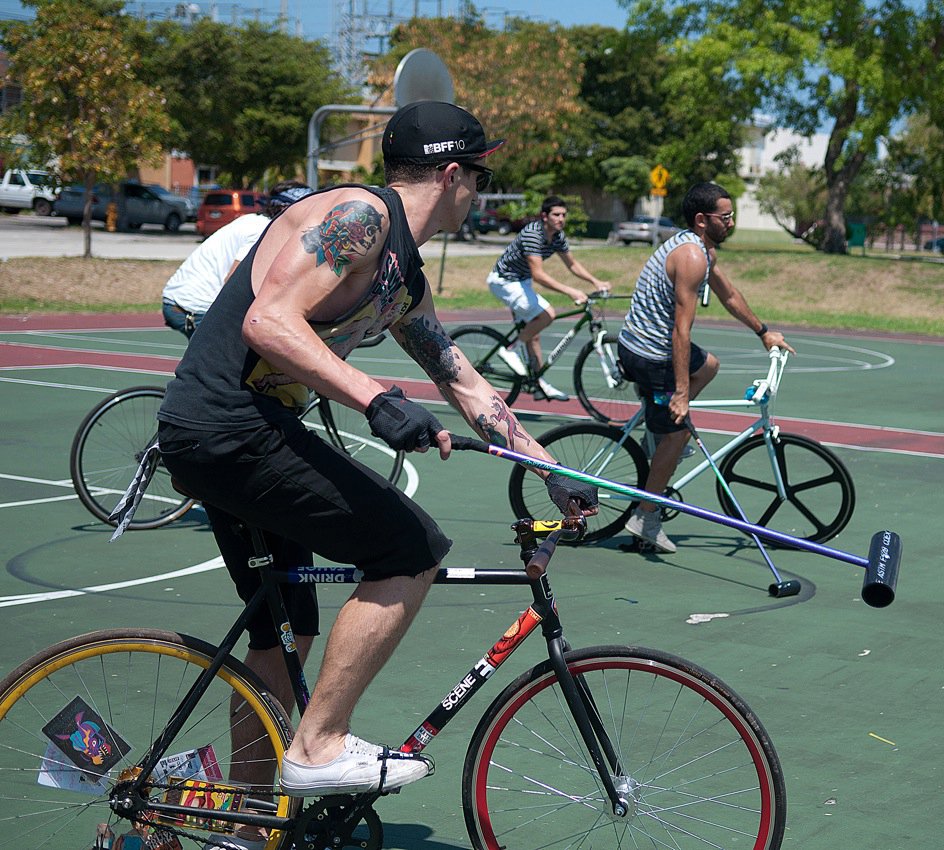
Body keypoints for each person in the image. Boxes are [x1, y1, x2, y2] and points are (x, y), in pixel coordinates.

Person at [152, 101, 597, 842]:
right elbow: (268, 321)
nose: (482, 191)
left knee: (282, 638)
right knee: (407, 548)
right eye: (481, 175)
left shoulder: (404, 277)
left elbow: (466, 382)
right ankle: (320, 746)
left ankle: (246, 824)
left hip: (242, 432)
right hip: (228, 427)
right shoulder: (360, 217)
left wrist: (550, 468)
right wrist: (375, 399)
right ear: (453, 174)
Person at [615, 182, 794, 554]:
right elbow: (681, 331)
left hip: (649, 344)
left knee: (709, 365)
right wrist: (681, 394)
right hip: (650, 354)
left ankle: (660, 429)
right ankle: (645, 516)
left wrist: (763, 332)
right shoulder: (692, 258)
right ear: (701, 220)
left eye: (732, 216)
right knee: (678, 432)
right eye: (725, 217)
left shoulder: (703, 250)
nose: (731, 223)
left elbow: (728, 294)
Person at [486, 195, 609, 400]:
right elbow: (539, 275)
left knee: (533, 332)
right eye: (556, 215)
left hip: (521, 282)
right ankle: (510, 349)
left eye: (563, 215)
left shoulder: (558, 236)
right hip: (504, 282)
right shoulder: (533, 234)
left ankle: (537, 384)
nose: (561, 219)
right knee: (547, 315)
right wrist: (571, 291)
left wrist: (596, 282)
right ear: (545, 216)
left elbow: (572, 265)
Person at [160, 181, 312, 337]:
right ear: (285, 208)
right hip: (194, 306)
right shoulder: (262, 230)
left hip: (183, 299)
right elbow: (234, 281)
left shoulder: (255, 221)